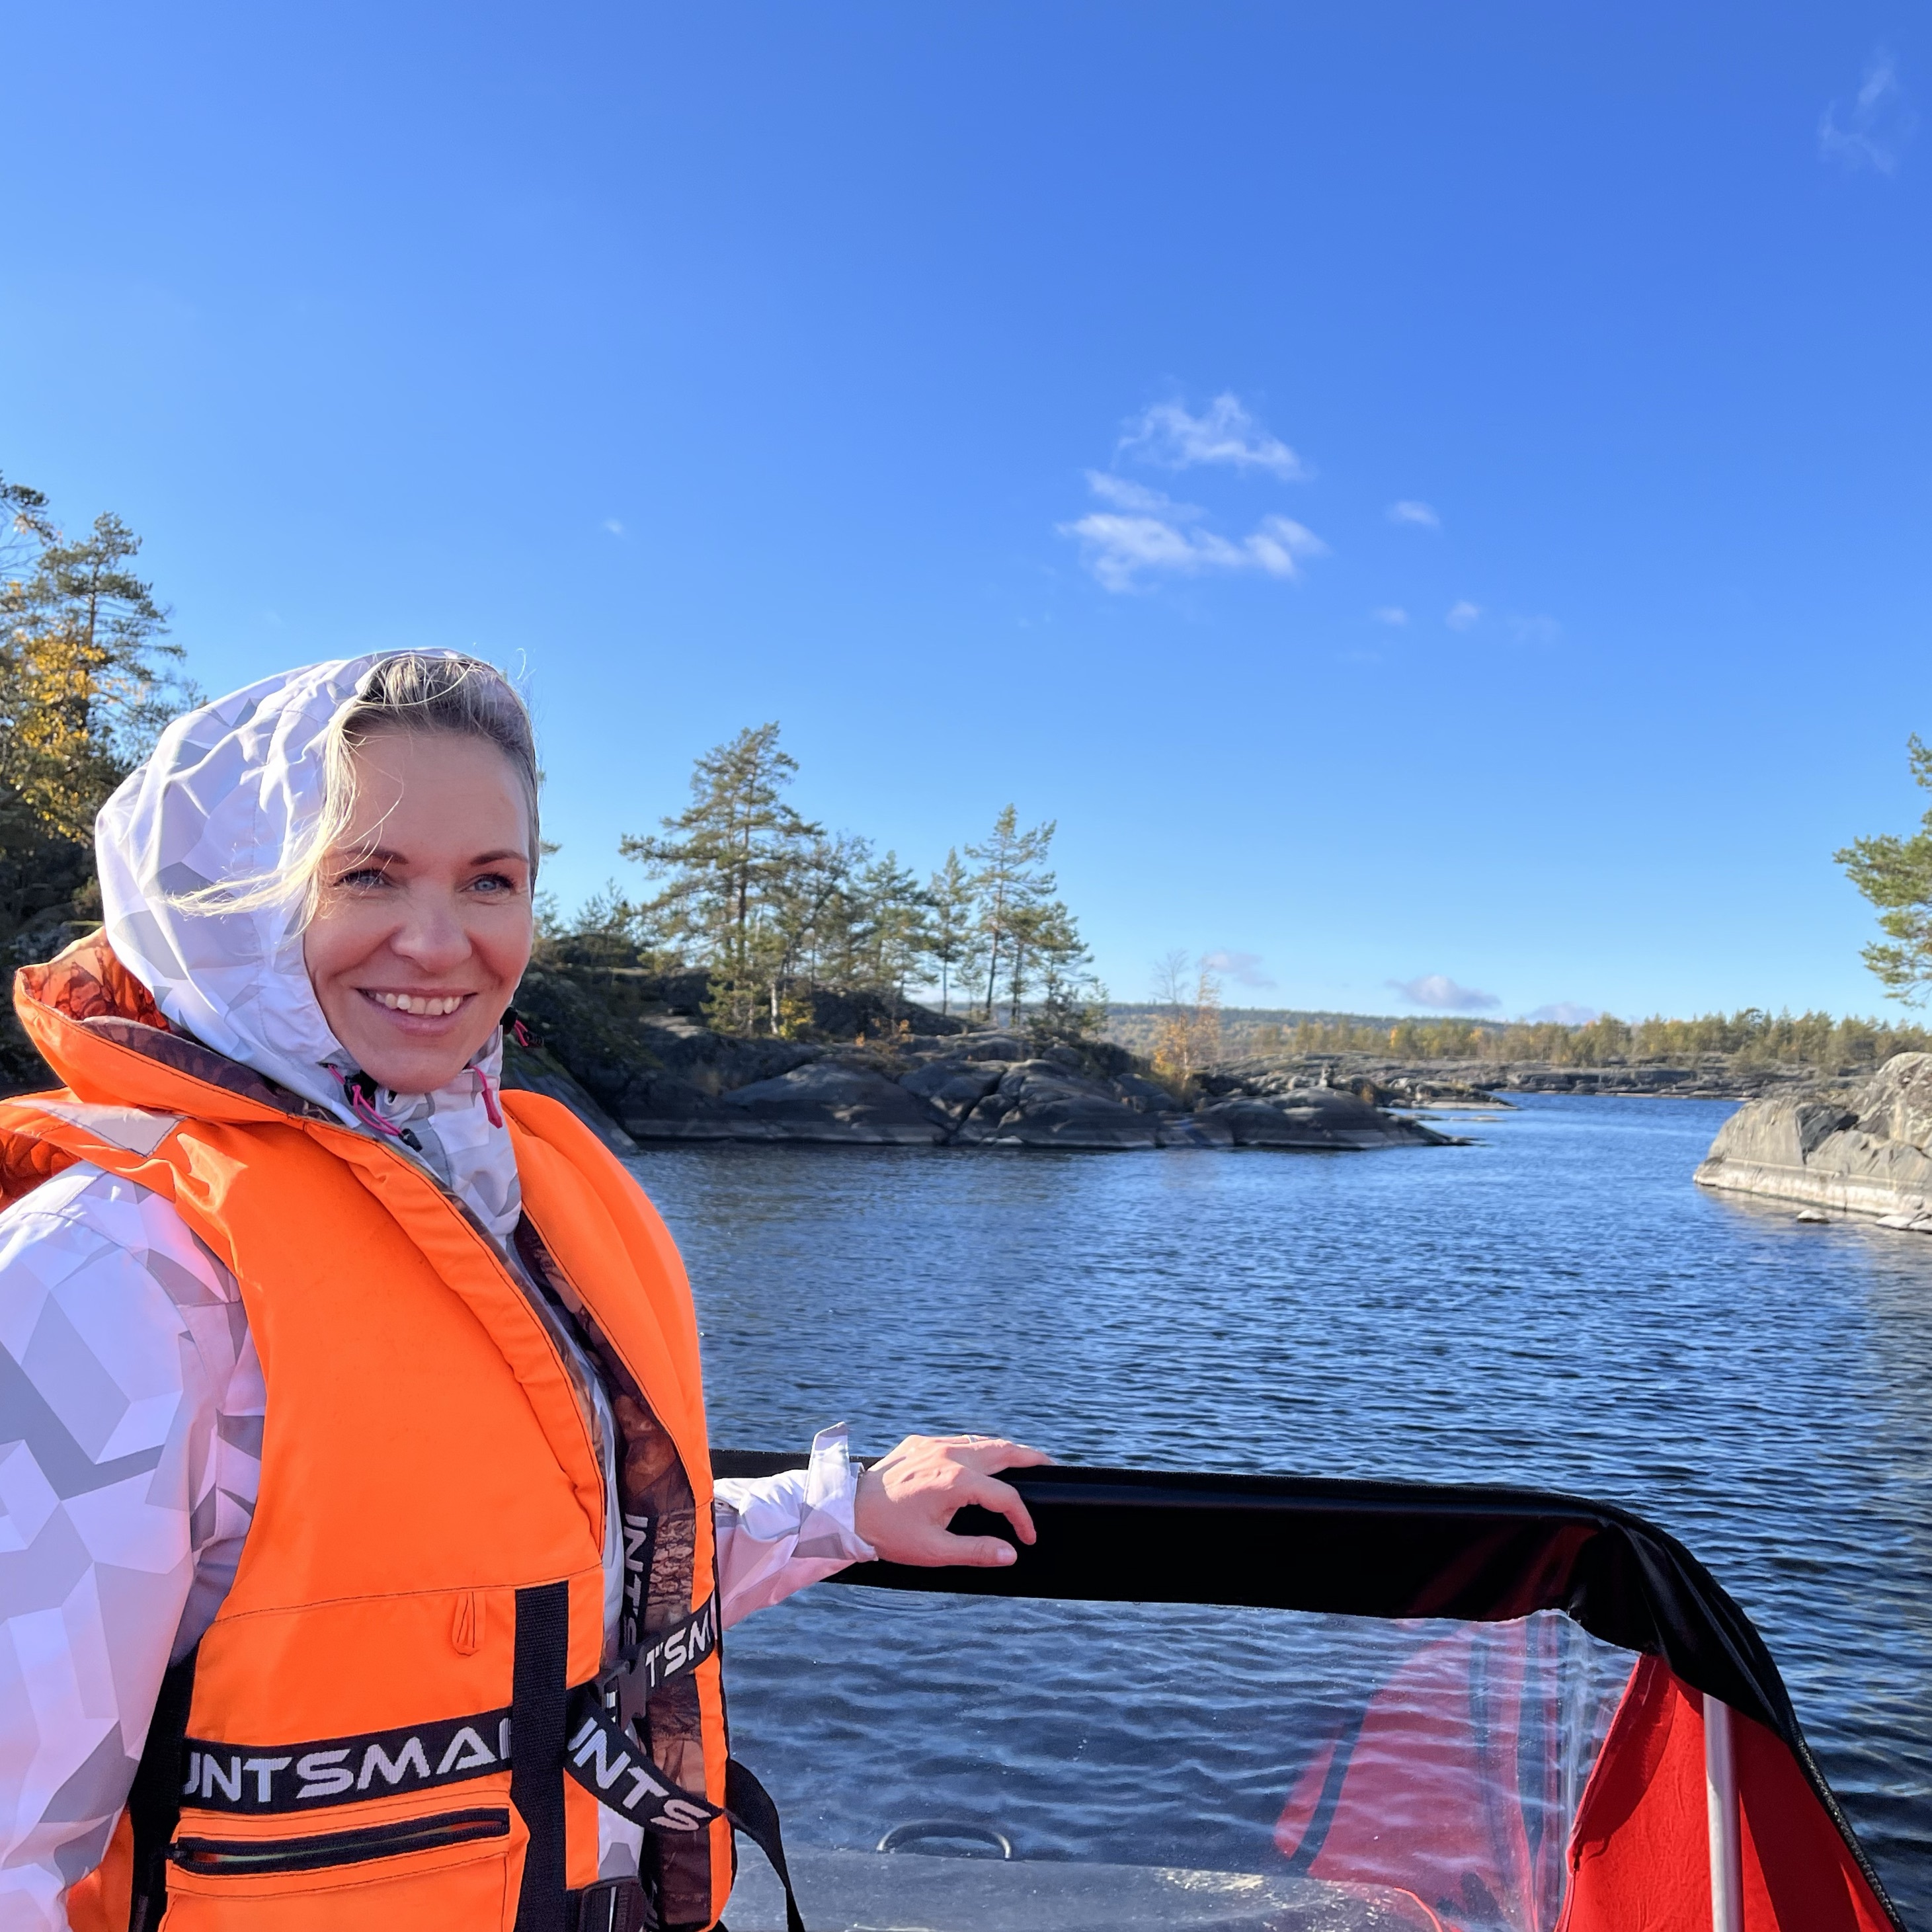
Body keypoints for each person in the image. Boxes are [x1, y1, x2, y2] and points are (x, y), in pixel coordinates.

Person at [0, 653, 1045, 1932]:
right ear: (229, 902)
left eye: (490, 881)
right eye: (367, 873)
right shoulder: (113, 1270)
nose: (441, 943)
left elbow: (557, 1575)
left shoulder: (494, 1198)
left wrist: (841, 1511)